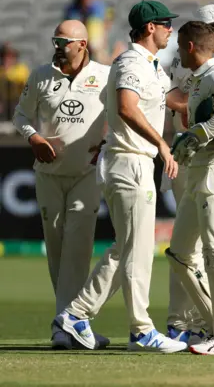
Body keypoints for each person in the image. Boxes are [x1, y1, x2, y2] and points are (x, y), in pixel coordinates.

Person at [54, 0, 186, 353]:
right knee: (136, 250)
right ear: (148, 28)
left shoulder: (153, 67)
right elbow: (126, 107)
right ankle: (141, 330)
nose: (170, 29)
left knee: (127, 248)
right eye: (164, 24)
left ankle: (75, 315)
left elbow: (170, 101)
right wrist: (162, 143)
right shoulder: (130, 62)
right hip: (129, 161)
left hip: (135, 162)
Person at [13, 20, 109, 350]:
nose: (58, 46)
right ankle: (72, 324)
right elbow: (20, 116)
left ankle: (64, 326)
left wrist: (108, 141)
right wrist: (34, 138)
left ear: (82, 44)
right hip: (48, 173)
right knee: (55, 248)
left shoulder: (105, 75)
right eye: (55, 39)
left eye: (64, 41)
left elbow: (122, 113)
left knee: (78, 245)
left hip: (86, 173)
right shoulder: (41, 75)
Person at [162, 4, 214, 346]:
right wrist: (191, 141)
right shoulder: (198, 79)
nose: (179, 53)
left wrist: (199, 133)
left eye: (181, 47)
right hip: (199, 172)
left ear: (191, 47)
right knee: (180, 253)